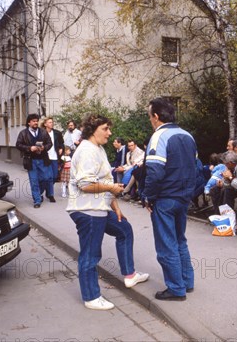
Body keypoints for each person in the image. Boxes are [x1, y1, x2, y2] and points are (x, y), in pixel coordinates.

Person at [66, 114, 149, 311]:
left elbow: (105, 180)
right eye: (105, 129)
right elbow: (86, 184)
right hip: (87, 210)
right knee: (91, 254)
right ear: (92, 130)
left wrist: (116, 207)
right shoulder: (87, 150)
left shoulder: (98, 148)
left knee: (124, 229)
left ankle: (130, 275)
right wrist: (111, 189)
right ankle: (91, 297)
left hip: (100, 207)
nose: (110, 133)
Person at [143, 98, 197, 301]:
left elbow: (155, 172)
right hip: (183, 197)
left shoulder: (159, 137)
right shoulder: (187, 136)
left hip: (166, 199)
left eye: (150, 116)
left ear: (156, 116)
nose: (150, 120)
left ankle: (176, 289)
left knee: (166, 244)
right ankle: (186, 282)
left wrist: (148, 196)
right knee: (180, 240)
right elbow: (195, 167)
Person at [15, 114, 53, 208]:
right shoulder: (23, 133)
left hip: (43, 160)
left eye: (36, 121)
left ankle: (39, 194)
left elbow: (50, 143)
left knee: (46, 178)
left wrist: (44, 148)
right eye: (33, 121)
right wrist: (29, 148)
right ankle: (37, 200)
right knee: (34, 181)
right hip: (31, 161)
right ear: (29, 123)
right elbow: (18, 145)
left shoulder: (43, 131)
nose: (36, 123)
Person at [41, 117, 64, 202]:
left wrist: (61, 148)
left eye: (52, 122)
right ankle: (50, 194)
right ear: (45, 124)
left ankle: (47, 190)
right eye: (50, 122)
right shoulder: (41, 133)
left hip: (54, 157)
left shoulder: (57, 133)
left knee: (54, 176)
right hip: (45, 157)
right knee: (46, 177)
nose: (52, 123)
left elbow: (61, 143)